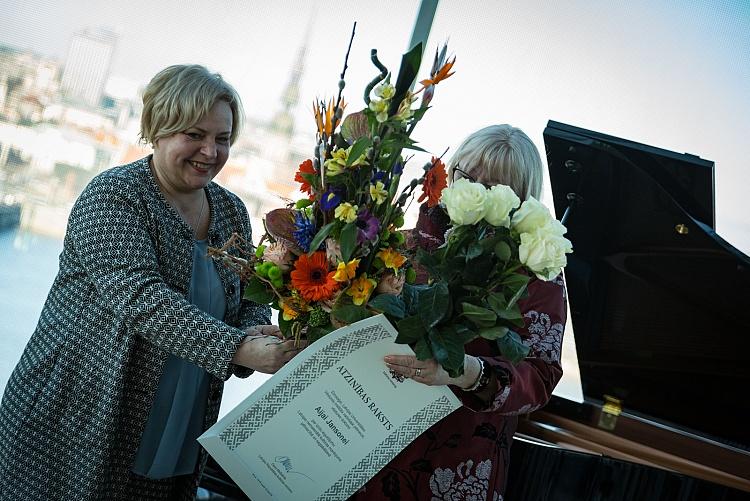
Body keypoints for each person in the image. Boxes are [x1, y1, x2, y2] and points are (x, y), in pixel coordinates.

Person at [0, 64, 304, 500]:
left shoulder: (232, 211)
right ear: (159, 129)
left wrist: (257, 330)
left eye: (222, 139)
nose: (210, 151)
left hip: (175, 431)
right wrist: (238, 349)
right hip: (75, 421)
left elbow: (246, 299)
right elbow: (142, 299)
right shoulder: (113, 196)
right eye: (194, 135)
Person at [353, 124, 567, 500]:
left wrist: (467, 372)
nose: (474, 191)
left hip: (454, 465)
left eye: (494, 187)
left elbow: (539, 377)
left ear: (519, 199)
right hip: (362, 443)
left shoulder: (535, 276)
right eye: (466, 176)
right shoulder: (400, 245)